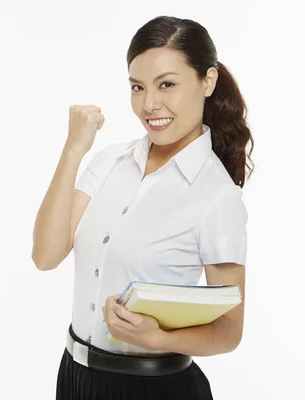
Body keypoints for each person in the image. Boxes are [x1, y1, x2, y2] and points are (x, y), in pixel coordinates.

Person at [31, 15, 254, 400]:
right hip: (74, 377)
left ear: (208, 81)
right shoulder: (110, 162)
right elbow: (46, 255)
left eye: (167, 84)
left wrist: (157, 337)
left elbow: (228, 331)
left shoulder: (217, 196)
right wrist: (73, 149)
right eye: (138, 87)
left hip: (154, 388)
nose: (149, 104)